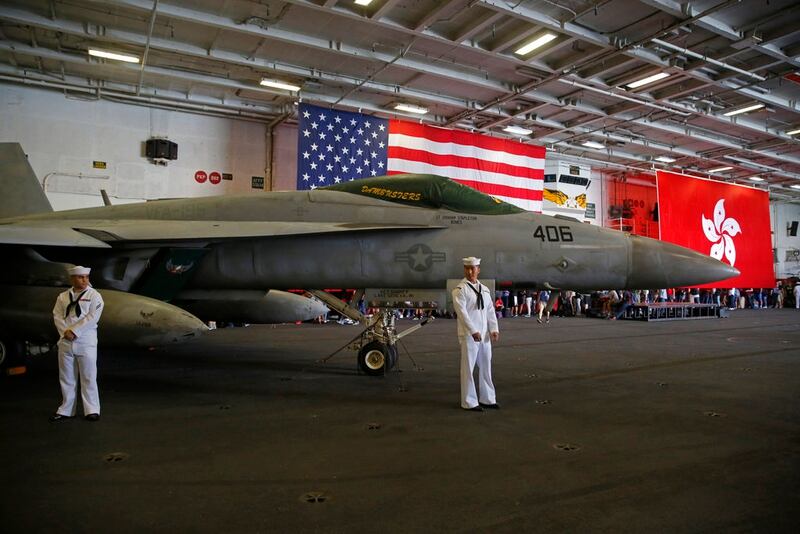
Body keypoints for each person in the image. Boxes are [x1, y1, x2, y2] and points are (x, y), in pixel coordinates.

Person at [50, 266, 105, 422]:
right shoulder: (63, 297)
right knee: (66, 377)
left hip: (85, 340)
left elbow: (93, 317)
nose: (84, 280)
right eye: (80, 277)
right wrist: (65, 332)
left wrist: (75, 331)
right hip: (65, 340)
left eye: (86, 277)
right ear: (72, 279)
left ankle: (92, 409)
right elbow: (57, 316)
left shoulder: (95, 296)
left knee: (88, 376)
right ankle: (66, 409)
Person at [452, 257, 500, 412]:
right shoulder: (460, 291)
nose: (470, 271)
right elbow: (462, 313)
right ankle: (469, 401)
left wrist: (494, 329)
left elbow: (490, 311)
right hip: (469, 335)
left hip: (484, 335)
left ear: (479, 270)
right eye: (467, 268)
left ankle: (488, 398)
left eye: (473, 268)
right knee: (468, 369)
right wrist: (473, 331)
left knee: (486, 367)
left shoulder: (484, 290)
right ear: (464, 270)